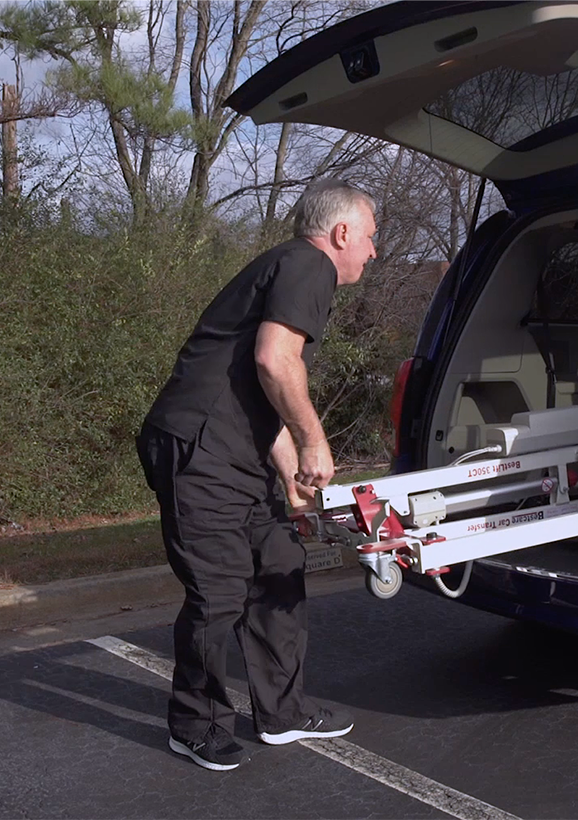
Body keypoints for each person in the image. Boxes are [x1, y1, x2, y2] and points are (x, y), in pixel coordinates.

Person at [136, 179, 377, 771]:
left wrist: (293, 477)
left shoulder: (286, 269)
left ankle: (282, 713)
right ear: (341, 233)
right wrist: (314, 441)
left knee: (279, 563)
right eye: (371, 238)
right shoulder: (308, 264)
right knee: (219, 591)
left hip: (234, 453)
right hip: (199, 453)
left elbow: (257, 393)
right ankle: (195, 723)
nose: (374, 252)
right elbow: (276, 360)